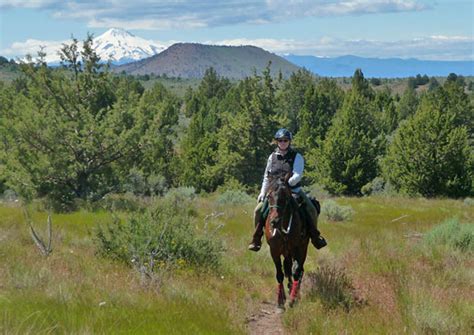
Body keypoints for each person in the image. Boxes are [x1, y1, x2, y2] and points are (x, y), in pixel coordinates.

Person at [248, 128, 327, 252]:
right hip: (274, 192)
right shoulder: (272, 157)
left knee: (311, 209)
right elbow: (266, 177)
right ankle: (257, 238)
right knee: (258, 210)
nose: (283, 142)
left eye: (285, 140)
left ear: (289, 142)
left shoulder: (297, 156)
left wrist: (289, 182)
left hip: (293, 191)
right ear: (277, 142)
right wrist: (262, 193)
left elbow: (298, 174)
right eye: (280, 140)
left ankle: (315, 236)